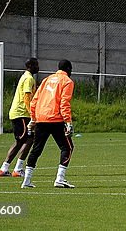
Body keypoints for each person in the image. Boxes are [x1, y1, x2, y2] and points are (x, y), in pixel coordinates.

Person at [22, 59, 76, 189]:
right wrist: (68, 122)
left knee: (36, 149)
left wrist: (33, 119)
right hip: (56, 120)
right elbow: (64, 103)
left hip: (41, 119)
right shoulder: (67, 81)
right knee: (67, 148)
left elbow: (34, 100)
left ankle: (26, 180)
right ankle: (60, 179)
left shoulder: (46, 79)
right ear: (68, 69)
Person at [0, 57, 39, 178]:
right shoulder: (28, 78)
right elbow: (27, 97)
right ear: (31, 66)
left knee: (21, 141)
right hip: (21, 114)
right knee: (29, 140)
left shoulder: (26, 76)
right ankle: (17, 169)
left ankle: (4, 168)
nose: (38, 67)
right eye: (36, 65)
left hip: (19, 114)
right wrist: (32, 114)